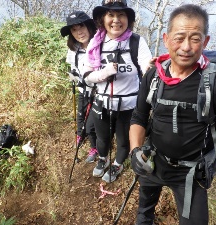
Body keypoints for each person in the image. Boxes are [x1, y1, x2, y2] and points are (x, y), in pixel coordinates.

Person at [129, 4, 216, 225]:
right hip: (153, 161)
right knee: (143, 214)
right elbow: (139, 117)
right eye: (179, 38)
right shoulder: (154, 77)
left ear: (205, 42)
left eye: (195, 39)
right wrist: (135, 151)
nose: (186, 47)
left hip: (190, 174)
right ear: (166, 39)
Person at [83, 0, 152, 183]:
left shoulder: (137, 41)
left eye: (121, 15)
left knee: (123, 141)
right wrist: (104, 73)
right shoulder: (96, 42)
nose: (116, 20)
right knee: (102, 139)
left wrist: (150, 70)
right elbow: (87, 75)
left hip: (128, 105)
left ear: (128, 18)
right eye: (111, 15)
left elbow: (147, 66)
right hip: (102, 102)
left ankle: (118, 164)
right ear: (102, 19)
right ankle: (103, 159)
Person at [60, 11, 98, 163]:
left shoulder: (100, 45)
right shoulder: (73, 48)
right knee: (80, 116)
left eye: (81, 26)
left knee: (91, 125)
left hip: (99, 93)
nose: (79, 32)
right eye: (74, 30)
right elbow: (72, 66)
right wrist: (73, 75)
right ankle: (80, 135)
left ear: (88, 26)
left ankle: (95, 147)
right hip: (83, 90)